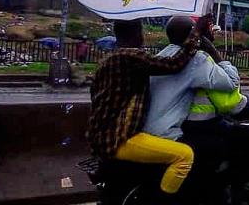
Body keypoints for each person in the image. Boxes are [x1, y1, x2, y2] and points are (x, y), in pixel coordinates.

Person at [86, 19, 201, 198]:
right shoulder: (131, 56)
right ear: (137, 34)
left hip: (100, 137)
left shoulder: (107, 60)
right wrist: (196, 35)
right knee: (184, 156)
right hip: (120, 138)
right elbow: (174, 64)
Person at [179, 16, 249, 205]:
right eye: (211, 29)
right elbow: (233, 105)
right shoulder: (202, 62)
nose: (214, 34)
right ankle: (244, 194)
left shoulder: (171, 58)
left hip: (180, 129)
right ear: (200, 36)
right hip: (205, 129)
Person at [140, 15, 241, 198]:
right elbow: (231, 83)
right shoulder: (197, 60)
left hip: (144, 133)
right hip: (168, 134)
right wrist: (211, 50)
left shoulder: (159, 56)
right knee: (217, 156)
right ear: (195, 37)